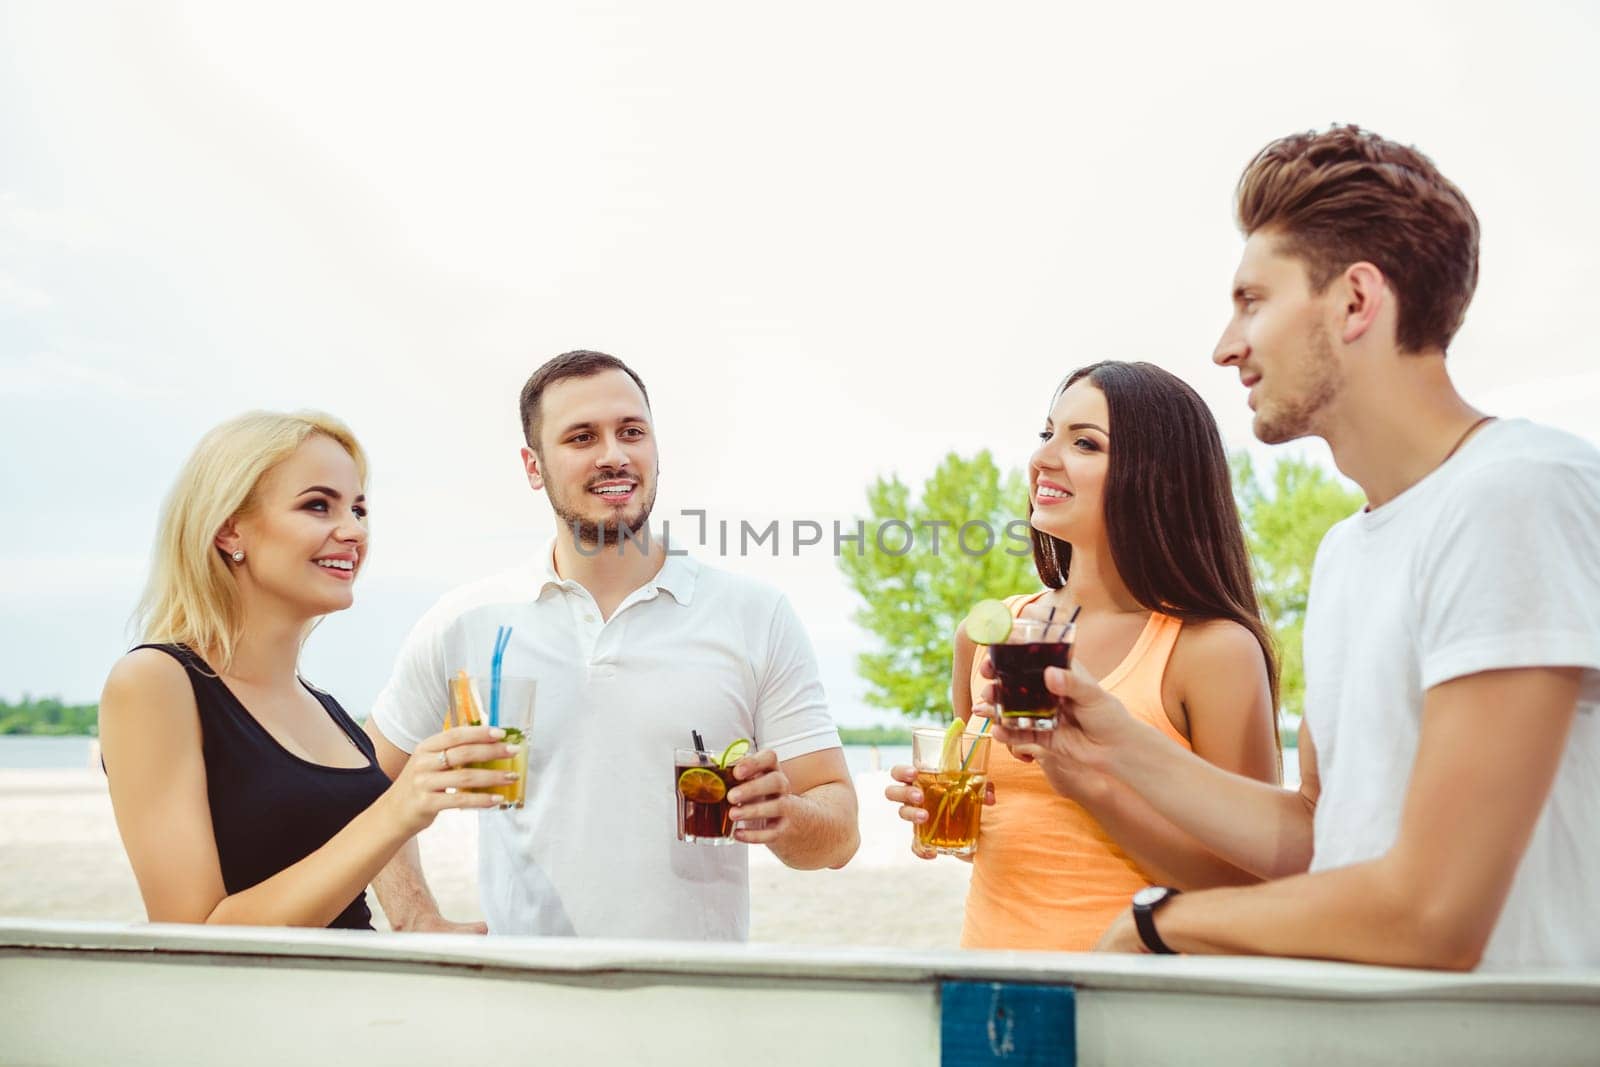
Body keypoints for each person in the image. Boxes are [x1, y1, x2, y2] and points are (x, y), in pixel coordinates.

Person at [1004, 126, 1600, 970]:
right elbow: (1318, 835)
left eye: (1253, 300)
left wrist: (1160, 922)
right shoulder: (1344, 553)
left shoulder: (1517, 493)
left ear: (1356, 301)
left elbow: (1434, 913)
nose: (1225, 345)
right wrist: (1105, 741)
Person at [365, 350, 859, 940]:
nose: (615, 455)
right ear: (533, 465)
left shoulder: (756, 616)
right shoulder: (467, 621)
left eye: (632, 432)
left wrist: (787, 817)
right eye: (581, 437)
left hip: (695, 1005)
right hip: (523, 1000)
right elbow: (367, 782)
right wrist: (414, 913)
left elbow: (841, 835)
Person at [885, 360, 1283, 951]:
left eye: (1085, 443)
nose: (1044, 459)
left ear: (1160, 476)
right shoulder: (988, 634)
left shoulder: (1212, 650)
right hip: (986, 985)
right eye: (1047, 434)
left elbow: (1253, 885)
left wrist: (1090, 788)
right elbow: (1011, 835)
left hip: (1136, 1005)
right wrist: (941, 824)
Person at [100, 412, 509, 929]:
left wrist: (423, 923)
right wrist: (398, 807)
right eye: (319, 505)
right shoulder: (154, 683)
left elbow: (359, 885)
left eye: (359, 510)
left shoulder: (326, 710)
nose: (353, 531)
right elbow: (193, 933)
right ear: (229, 530)